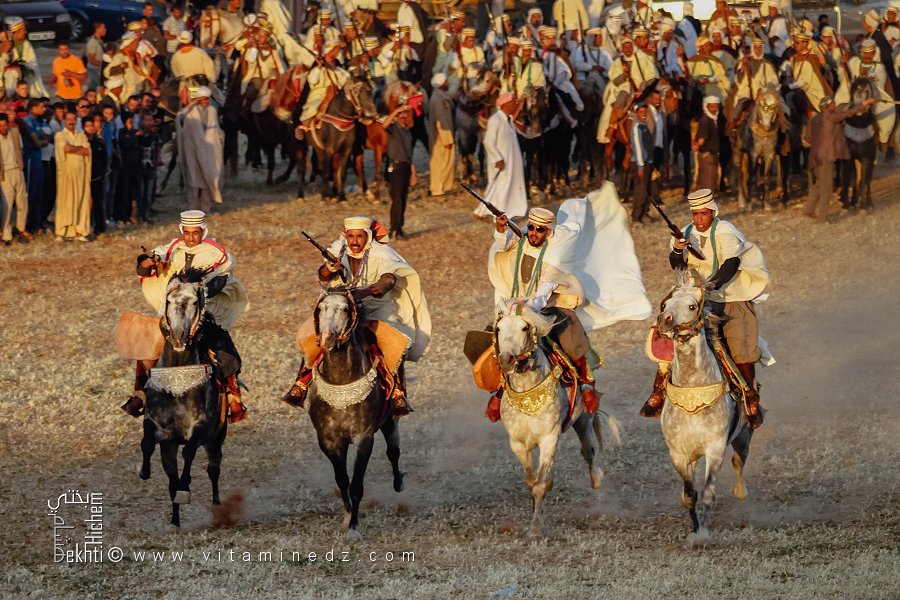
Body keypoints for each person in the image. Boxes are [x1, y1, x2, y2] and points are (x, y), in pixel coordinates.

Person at [641, 189, 770, 429]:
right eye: (695, 214)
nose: (699, 219)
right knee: (670, 328)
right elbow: (677, 267)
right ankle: (659, 390)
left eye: (703, 214)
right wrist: (677, 249)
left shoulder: (726, 232)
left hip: (730, 295)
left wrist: (713, 283)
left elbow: (732, 263)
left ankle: (749, 397)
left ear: (713, 212)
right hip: (695, 295)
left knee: (740, 345)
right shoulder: (686, 231)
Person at [282, 216, 431, 417]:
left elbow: (388, 281)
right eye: (350, 236)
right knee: (314, 333)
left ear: (367, 236)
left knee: (394, 342)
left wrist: (363, 292)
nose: (354, 241)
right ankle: (301, 384)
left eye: (359, 236)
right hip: (341, 305)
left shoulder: (383, 253)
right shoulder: (338, 249)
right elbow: (323, 276)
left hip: (376, 307)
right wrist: (329, 268)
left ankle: (398, 392)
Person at [124, 210, 249, 423]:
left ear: (203, 231)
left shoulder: (217, 253)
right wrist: (148, 262)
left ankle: (233, 394)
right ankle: (141, 393)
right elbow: (144, 269)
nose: (191, 238)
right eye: (187, 233)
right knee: (146, 344)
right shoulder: (171, 248)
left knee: (222, 346)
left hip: (202, 310)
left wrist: (198, 294)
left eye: (195, 233)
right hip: (172, 311)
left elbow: (221, 280)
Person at [484, 208, 604, 422]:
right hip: (515, 302)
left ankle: (586, 384)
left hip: (544, 304)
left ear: (548, 232)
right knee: (493, 337)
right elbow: (503, 244)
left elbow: (542, 294)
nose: (533, 233)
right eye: (531, 227)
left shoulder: (555, 254)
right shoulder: (521, 238)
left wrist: (525, 311)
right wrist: (500, 228)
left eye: (539, 230)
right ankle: (498, 390)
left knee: (568, 335)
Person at [803, 96, 876, 221]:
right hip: (826, 157)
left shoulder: (814, 119)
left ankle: (808, 209)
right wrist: (866, 103)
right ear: (829, 106)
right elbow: (850, 113)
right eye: (833, 103)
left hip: (814, 156)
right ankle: (822, 217)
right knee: (826, 188)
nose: (835, 104)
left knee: (818, 184)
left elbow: (807, 138)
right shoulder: (832, 117)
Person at [476, 92, 527, 221]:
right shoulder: (495, 120)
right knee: (499, 186)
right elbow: (488, 142)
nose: (514, 105)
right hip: (501, 162)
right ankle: (490, 212)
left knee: (509, 186)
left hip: (512, 161)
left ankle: (508, 211)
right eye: (512, 103)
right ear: (505, 104)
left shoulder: (509, 120)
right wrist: (497, 158)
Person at [176, 86, 223, 212]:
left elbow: (216, 128)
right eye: (202, 99)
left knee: (208, 178)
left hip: (209, 150)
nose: (205, 101)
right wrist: (191, 104)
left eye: (207, 99)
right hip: (193, 150)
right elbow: (179, 118)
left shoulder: (212, 110)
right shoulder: (190, 112)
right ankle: (192, 208)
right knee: (194, 179)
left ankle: (205, 208)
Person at [53, 111, 92, 242]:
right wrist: (79, 149)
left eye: (73, 119)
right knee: (65, 201)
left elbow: (87, 151)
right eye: (68, 119)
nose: (71, 121)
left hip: (81, 175)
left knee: (80, 201)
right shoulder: (60, 135)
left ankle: (79, 231)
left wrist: (74, 148)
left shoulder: (81, 135)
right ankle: (61, 231)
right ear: (64, 120)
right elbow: (66, 149)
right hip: (66, 174)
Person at [382, 104, 416, 240]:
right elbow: (384, 125)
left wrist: (413, 173)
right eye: (401, 114)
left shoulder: (408, 133)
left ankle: (399, 228)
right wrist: (396, 110)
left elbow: (409, 156)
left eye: (405, 114)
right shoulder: (393, 129)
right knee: (396, 199)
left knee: (403, 198)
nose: (403, 116)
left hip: (406, 167)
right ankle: (394, 228)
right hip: (395, 167)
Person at [0, 112, 27, 246]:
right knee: (7, 205)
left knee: (22, 201)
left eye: (4, 125)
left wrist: (21, 166)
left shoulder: (14, 133)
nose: (3, 128)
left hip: (18, 170)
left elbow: (20, 150)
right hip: (4, 174)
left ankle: (21, 229)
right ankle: (6, 235)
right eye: (0, 126)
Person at [22, 99, 48, 236]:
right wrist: (39, 143)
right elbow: (37, 142)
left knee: (39, 193)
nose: (44, 109)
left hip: (38, 160)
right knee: (30, 194)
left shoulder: (37, 122)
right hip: (30, 160)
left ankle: (36, 225)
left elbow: (44, 141)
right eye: (41, 107)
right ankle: (26, 225)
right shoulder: (27, 122)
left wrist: (39, 143)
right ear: (33, 108)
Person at [427, 73, 455, 197]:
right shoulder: (437, 99)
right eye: (446, 82)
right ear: (442, 84)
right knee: (439, 164)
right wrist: (447, 139)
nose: (448, 84)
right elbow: (440, 120)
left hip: (444, 136)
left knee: (447, 162)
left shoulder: (442, 97)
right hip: (440, 138)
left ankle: (444, 186)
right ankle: (437, 189)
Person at [630, 103, 655, 224]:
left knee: (647, 189)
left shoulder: (644, 126)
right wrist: (640, 166)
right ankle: (637, 216)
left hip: (647, 162)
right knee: (641, 190)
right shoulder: (636, 128)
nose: (644, 114)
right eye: (641, 112)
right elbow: (638, 148)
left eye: (645, 112)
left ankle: (645, 213)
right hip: (641, 163)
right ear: (636, 114)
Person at [84, 115, 107, 237]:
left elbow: (104, 159)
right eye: (87, 126)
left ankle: (100, 228)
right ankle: (86, 226)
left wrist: (102, 172)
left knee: (99, 203)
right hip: (85, 178)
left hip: (98, 177)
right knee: (86, 204)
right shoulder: (81, 142)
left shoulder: (100, 142)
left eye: (91, 125)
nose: (90, 128)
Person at [693, 96, 722, 192]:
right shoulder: (705, 121)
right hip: (707, 155)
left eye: (716, 106)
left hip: (712, 155)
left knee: (712, 182)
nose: (714, 109)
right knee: (708, 184)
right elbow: (701, 139)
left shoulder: (714, 120)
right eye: (711, 106)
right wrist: (697, 146)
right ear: (706, 107)